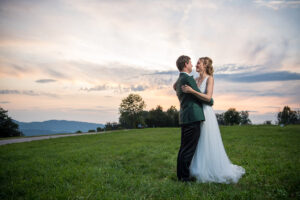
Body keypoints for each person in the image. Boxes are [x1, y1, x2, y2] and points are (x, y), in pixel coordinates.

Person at [181, 57, 245, 183]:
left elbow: (208, 97)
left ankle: (210, 168)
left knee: (207, 139)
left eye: (199, 63)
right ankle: (197, 168)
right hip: (195, 113)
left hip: (206, 113)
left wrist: (192, 91)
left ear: (205, 65)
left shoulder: (210, 79)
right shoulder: (194, 79)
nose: (196, 64)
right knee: (197, 141)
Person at [174, 55, 213, 182]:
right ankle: (184, 177)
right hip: (194, 116)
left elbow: (175, 86)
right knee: (188, 149)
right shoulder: (191, 79)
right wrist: (209, 100)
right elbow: (208, 100)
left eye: (198, 63)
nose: (194, 65)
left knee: (184, 148)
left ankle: (181, 175)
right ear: (186, 64)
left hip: (189, 116)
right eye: (192, 63)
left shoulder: (184, 79)